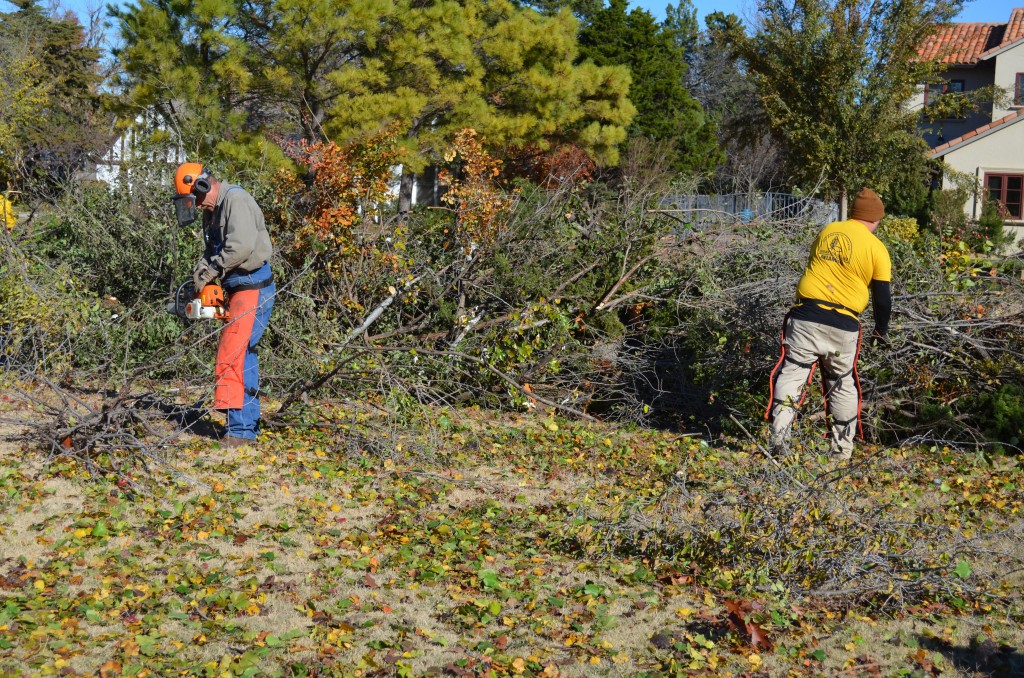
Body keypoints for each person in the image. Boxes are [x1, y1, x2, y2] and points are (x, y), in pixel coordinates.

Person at [765, 188, 892, 460]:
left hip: (806, 315)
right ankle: (841, 451)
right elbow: (882, 298)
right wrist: (881, 330)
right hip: (843, 324)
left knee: (793, 373)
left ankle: (779, 439)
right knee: (841, 382)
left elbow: (813, 265)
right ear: (874, 218)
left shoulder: (828, 231)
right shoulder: (876, 248)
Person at [172, 163, 275, 446]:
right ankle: (244, 427)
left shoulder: (236, 200)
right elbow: (212, 251)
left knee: (234, 354)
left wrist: (212, 270)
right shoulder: (213, 210)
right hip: (234, 286)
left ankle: (241, 433)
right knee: (242, 354)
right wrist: (200, 273)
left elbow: (240, 247)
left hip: (251, 286)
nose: (197, 206)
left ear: (204, 186)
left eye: (196, 199)